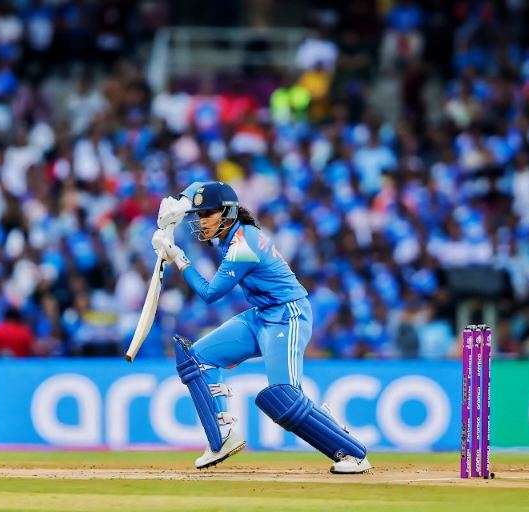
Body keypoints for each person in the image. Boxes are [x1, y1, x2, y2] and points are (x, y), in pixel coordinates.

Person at [152, 181, 371, 473]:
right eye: (199, 215)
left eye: (207, 214)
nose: (201, 221)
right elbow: (199, 187)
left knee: (284, 396)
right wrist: (179, 202)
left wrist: (178, 258)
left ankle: (353, 453)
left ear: (227, 213)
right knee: (198, 358)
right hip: (261, 315)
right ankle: (223, 435)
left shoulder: (244, 245)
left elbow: (210, 293)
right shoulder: (233, 234)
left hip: (287, 315)